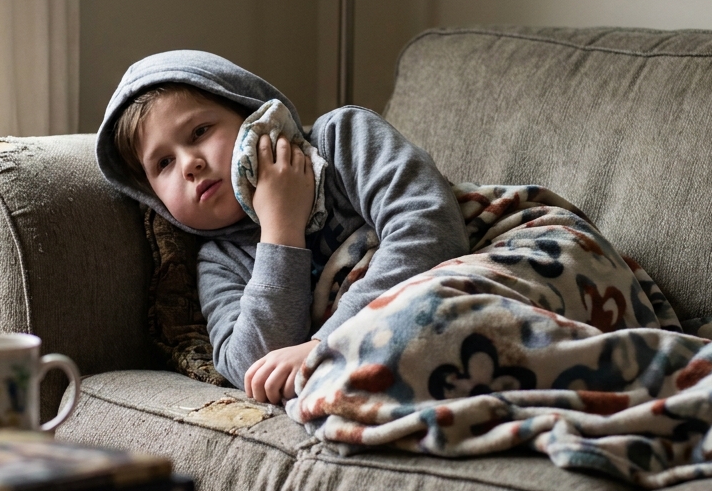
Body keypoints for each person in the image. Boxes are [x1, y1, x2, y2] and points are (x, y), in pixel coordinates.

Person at [95, 51, 467, 404]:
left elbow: (430, 226)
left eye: (200, 132)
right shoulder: (220, 261)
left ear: (250, 113)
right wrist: (280, 230)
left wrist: (327, 343)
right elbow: (251, 368)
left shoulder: (343, 139)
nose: (189, 163)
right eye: (163, 163)